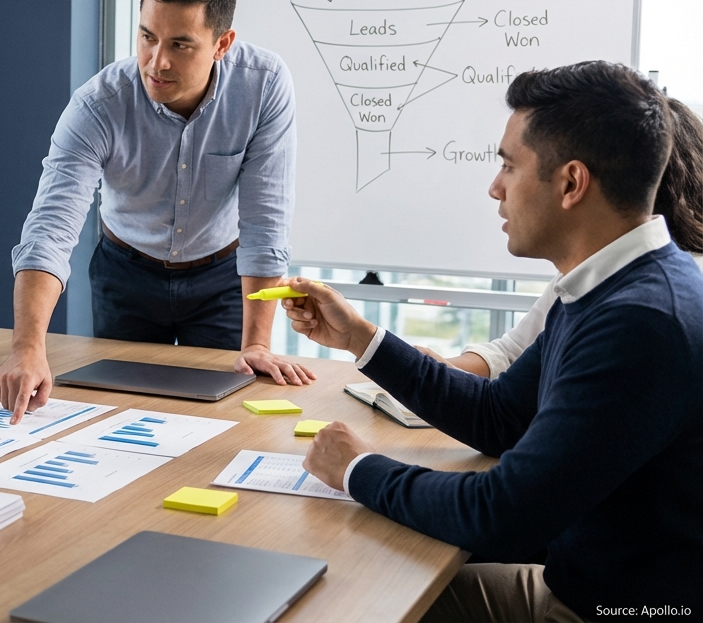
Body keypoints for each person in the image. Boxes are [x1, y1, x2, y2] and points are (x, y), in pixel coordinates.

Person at [283, 61, 702, 622]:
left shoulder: (639, 322)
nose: (495, 187)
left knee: (352, 604)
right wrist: (360, 338)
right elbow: (499, 414)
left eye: (509, 165)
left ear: (571, 183)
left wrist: (359, 470)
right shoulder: (612, 284)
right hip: (587, 585)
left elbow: (500, 516)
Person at [0, 0, 311, 423]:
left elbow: (266, 219)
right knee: (123, 415)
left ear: (222, 43)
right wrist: (26, 347)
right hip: (127, 273)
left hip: (222, 276)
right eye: (147, 37)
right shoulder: (99, 105)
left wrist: (258, 344)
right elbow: (51, 228)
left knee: (229, 414)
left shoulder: (263, 85)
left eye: (180, 45)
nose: (156, 62)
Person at [428, 96, 703, 378]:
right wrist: (419, 369)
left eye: (510, 167)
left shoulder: (654, 302)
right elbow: (512, 359)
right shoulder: (588, 272)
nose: (495, 189)